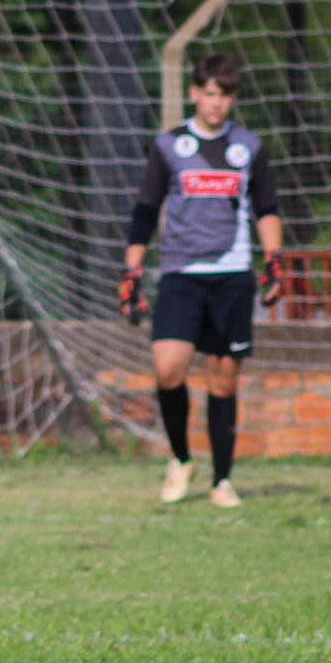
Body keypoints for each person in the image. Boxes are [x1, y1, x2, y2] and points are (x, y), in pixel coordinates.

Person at [119, 51, 285, 509]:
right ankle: (180, 457)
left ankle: (222, 481)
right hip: (180, 274)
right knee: (168, 368)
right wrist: (131, 270)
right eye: (210, 94)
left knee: (223, 380)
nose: (217, 104)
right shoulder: (170, 146)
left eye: (226, 96)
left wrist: (273, 260)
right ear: (195, 94)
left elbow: (266, 208)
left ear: (233, 99)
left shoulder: (247, 148)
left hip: (231, 276)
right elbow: (146, 210)